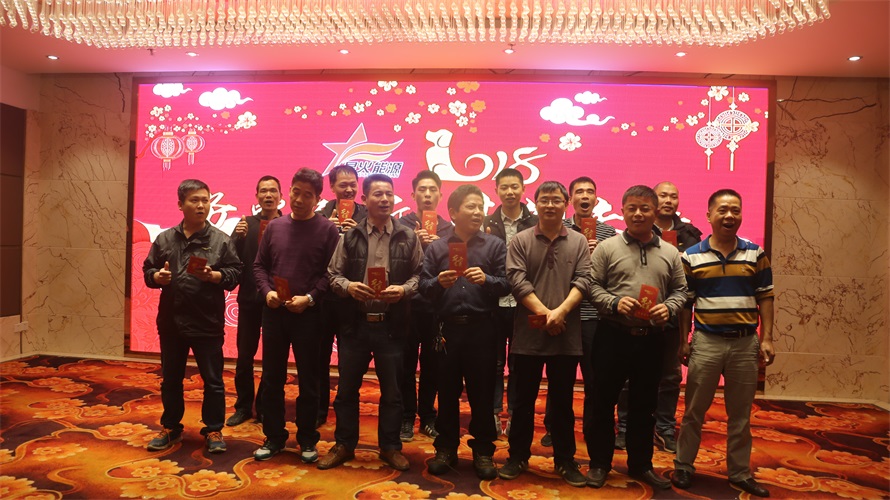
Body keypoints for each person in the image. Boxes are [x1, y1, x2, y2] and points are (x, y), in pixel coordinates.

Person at [671, 189, 775, 498]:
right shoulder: (691, 256)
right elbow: (686, 303)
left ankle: (740, 472)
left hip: (745, 344)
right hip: (706, 342)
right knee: (694, 410)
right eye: (723, 210)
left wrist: (767, 338)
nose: (729, 216)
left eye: (735, 210)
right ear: (709, 216)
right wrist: (684, 341)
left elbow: (766, 297)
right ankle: (684, 465)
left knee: (740, 414)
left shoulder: (755, 254)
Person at [319, 173, 423, 472]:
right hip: (355, 324)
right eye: (378, 194)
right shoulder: (350, 236)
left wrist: (403, 290)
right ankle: (344, 444)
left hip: (392, 325)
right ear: (364, 199)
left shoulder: (408, 236)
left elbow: (420, 275)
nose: (385, 199)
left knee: (392, 392)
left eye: (389, 193)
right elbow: (333, 275)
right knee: (346, 391)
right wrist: (349, 287)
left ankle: (390, 447)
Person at [586, 185, 687, 490]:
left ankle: (641, 464)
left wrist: (668, 308)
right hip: (612, 335)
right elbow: (592, 286)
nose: (638, 214)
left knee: (645, 406)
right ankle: (599, 464)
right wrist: (614, 302)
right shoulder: (607, 248)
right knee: (602, 403)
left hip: (651, 339)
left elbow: (681, 291)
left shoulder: (670, 252)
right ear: (623, 211)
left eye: (645, 208)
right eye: (632, 208)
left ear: (655, 212)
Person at [497, 181, 592, 487]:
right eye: (544, 200)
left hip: (566, 334)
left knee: (563, 402)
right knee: (522, 401)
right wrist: (547, 314)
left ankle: (565, 460)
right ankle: (517, 456)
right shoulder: (521, 240)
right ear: (535, 203)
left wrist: (560, 312)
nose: (550, 205)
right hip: (528, 335)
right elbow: (517, 281)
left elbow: (584, 280)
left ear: (566, 203)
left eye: (556, 200)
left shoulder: (578, 241)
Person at [142, 179, 241, 453]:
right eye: (194, 200)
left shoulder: (221, 240)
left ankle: (213, 430)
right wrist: (157, 277)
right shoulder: (165, 239)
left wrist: (214, 275)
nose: (201, 206)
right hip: (171, 321)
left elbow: (235, 274)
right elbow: (148, 270)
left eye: (205, 200)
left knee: (213, 381)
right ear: (180, 205)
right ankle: (171, 428)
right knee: (171, 379)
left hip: (206, 321)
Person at [420, 185, 509, 479]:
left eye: (480, 206)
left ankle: (483, 451)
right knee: (446, 392)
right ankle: (446, 448)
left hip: (482, 328)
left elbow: (507, 284)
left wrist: (487, 280)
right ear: (453, 212)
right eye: (471, 206)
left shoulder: (494, 245)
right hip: (447, 330)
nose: (478, 212)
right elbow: (423, 287)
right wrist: (438, 283)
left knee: (482, 393)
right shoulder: (437, 248)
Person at [251, 168, 340, 462]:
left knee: (309, 380)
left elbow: (332, 273)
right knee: (272, 378)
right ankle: (274, 437)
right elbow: (259, 266)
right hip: (275, 313)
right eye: (295, 192)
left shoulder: (327, 230)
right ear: (289, 191)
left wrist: (310, 298)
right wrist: (267, 292)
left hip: (309, 316)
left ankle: (307, 439)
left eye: (307, 195)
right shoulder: (275, 227)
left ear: (318, 199)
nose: (299, 200)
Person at [615, 181, 702, 451]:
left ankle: (664, 427)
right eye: (663, 195)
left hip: (672, 320)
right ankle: (624, 427)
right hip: (635, 319)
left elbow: (689, 286)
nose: (668, 201)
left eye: (673, 196)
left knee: (670, 377)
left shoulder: (690, 235)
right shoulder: (635, 234)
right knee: (628, 378)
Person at [537, 177, 616, 448]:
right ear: (570, 200)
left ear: (596, 199)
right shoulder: (559, 229)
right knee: (560, 378)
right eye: (579, 192)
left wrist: (598, 257)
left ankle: (592, 429)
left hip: (595, 317)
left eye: (590, 192)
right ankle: (554, 428)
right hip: (565, 315)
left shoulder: (608, 233)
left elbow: (612, 275)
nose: (585, 196)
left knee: (595, 379)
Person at [397, 170, 453, 442]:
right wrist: (414, 243)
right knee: (405, 364)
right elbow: (394, 263)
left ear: (440, 195)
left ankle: (428, 416)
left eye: (432, 190)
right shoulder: (401, 226)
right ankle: (406, 416)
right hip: (406, 306)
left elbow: (455, 267)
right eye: (422, 190)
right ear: (413, 194)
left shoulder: (449, 230)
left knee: (433, 365)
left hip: (436, 307)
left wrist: (439, 247)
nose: (427, 195)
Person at [484, 168, 538, 437]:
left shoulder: (536, 223)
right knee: (492, 363)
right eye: (504, 187)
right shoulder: (486, 222)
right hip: (493, 304)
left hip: (525, 303)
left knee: (520, 363)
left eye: (514, 186)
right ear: (496, 190)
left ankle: (516, 413)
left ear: (523, 189)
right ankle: (493, 413)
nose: (509, 192)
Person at [226, 175, 283, 427]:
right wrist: (236, 238)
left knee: (272, 359)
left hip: (276, 302)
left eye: (273, 191)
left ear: (281, 196)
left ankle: (264, 407)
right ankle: (243, 406)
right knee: (244, 357)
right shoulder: (245, 224)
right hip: (249, 300)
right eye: (263, 191)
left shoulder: (289, 224)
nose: (268, 195)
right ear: (257, 196)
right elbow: (230, 258)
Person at [316, 164, 368, 428]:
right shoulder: (320, 216)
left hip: (352, 299)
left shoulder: (368, 215)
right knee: (319, 357)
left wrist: (357, 232)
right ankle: (319, 409)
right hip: (324, 298)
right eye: (342, 185)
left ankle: (345, 410)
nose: (348, 189)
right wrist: (328, 231)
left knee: (349, 360)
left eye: (352, 184)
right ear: (332, 187)